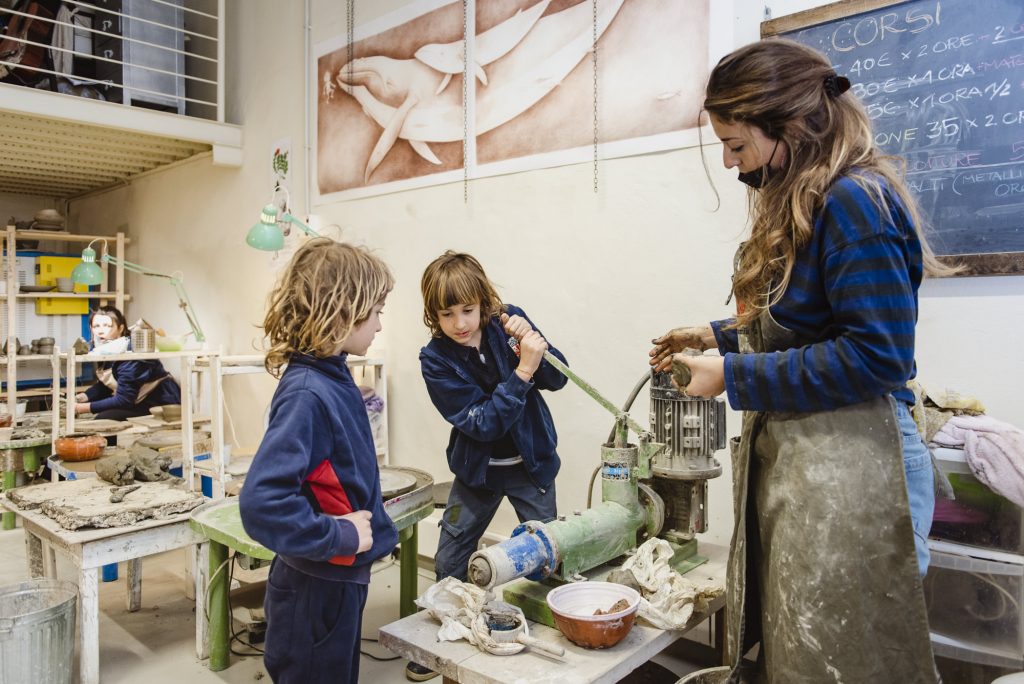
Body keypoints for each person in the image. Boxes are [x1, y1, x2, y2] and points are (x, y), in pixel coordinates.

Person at [648, 40, 951, 683]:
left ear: (792, 128)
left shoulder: (856, 203)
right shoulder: (810, 201)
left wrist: (731, 375)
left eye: (738, 145)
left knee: (850, 660)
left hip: (859, 466)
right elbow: (806, 321)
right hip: (813, 463)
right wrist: (715, 334)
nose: (732, 166)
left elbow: (877, 356)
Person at [238, 238, 398, 684]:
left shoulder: (332, 373)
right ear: (343, 311)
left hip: (336, 579)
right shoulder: (308, 393)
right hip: (316, 585)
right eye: (377, 311)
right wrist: (339, 533)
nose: (381, 325)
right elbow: (261, 503)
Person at [411, 251, 567, 682]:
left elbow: (558, 377)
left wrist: (534, 341)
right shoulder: (435, 360)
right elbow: (481, 424)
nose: (460, 323)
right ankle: (442, 640)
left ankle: (545, 643)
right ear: (433, 315)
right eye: (447, 314)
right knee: (450, 556)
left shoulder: (507, 323)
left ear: (483, 301)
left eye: (468, 310)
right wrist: (522, 372)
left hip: (530, 464)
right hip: (477, 471)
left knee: (547, 557)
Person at [74, 305, 181, 421]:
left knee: (104, 419)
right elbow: (107, 386)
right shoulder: (105, 350)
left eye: (107, 326)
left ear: (120, 328)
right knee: (99, 413)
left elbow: (123, 400)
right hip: (135, 398)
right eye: (96, 326)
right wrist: (81, 398)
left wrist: (81, 408)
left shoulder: (130, 354)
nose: (100, 331)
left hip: (160, 400)